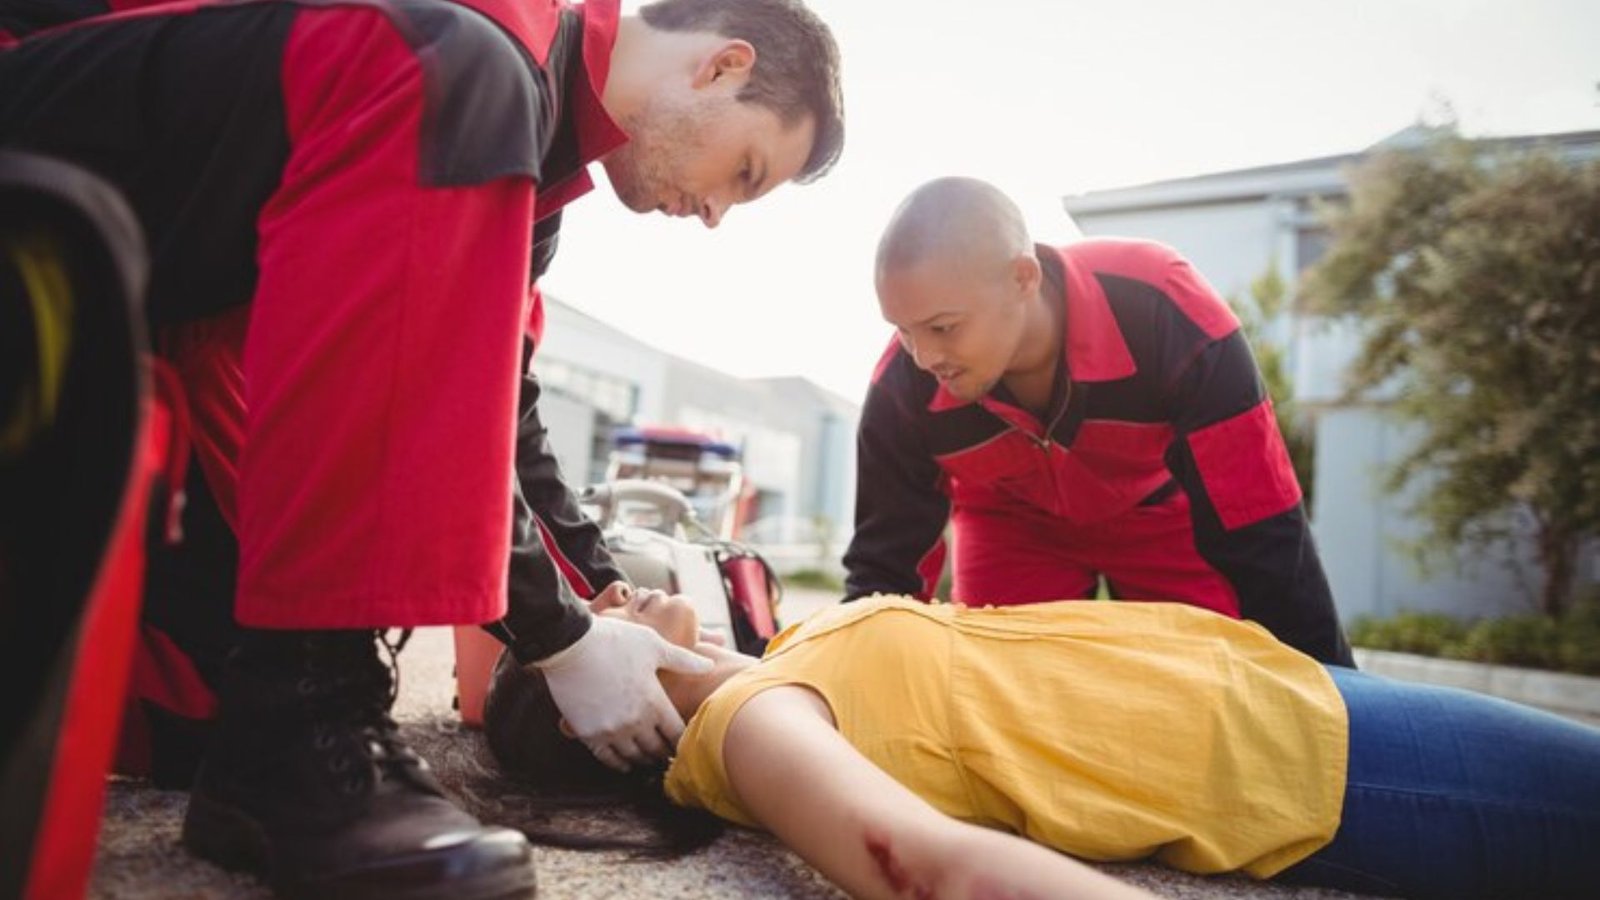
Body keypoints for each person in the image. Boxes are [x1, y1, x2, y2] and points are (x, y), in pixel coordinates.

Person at [0, 0, 843, 897]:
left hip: (142, 279)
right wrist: (558, 639)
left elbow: (500, 423)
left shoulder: (532, 179)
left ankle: (280, 719)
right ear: (719, 67)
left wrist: (595, 612)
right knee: (454, 68)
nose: (714, 214)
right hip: (48, 122)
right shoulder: (486, 42)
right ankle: (308, 697)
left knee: (207, 714)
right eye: (744, 173)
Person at [485, 588, 1600, 900]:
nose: (613, 593)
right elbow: (919, 865)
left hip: (1291, 697)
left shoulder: (775, 664)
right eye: (592, 623)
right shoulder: (749, 728)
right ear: (606, 721)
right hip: (1314, 770)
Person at [844, 176, 1353, 665]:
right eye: (904, 332)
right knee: (1007, 695)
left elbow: (1259, 524)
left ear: (1023, 278)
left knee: (1212, 682)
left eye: (943, 327)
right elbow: (884, 572)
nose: (924, 357)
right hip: (1011, 524)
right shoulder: (900, 387)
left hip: (1159, 512)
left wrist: (1343, 703)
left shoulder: (1166, 309)